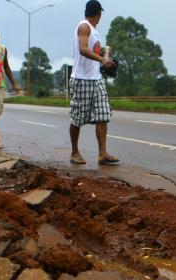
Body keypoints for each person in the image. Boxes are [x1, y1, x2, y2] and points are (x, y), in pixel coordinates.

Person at [69, 0, 119, 165]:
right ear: (98, 13)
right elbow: (83, 49)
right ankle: (74, 152)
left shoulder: (95, 30)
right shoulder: (84, 27)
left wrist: (105, 57)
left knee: (103, 115)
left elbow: (93, 50)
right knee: (78, 118)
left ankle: (102, 154)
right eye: (100, 14)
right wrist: (102, 60)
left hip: (96, 78)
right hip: (81, 79)